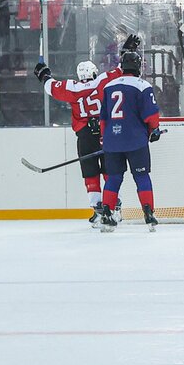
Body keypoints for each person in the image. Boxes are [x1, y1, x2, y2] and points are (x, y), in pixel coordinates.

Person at [32, 34, 139, 224]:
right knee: (109, 170)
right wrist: (127, 51)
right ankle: (113, 205)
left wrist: (44, 74)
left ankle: (97, 208)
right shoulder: (103, 80)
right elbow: (123, 69)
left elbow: (51, 87)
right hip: (106, 132)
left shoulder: (72, 87)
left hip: (84, 135)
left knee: (90, 172)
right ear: (94, 72)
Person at [97, 51, 162, 233]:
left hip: (112, 142)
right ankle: (148, 213)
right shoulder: (143, 86)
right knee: (141, 176)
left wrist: (105, 138)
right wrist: (154, 130)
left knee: (114, 178)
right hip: (136, 141)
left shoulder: (109, 86)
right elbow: (150, 115)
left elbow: (103, 118)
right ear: (138, 66)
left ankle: (107, 214)